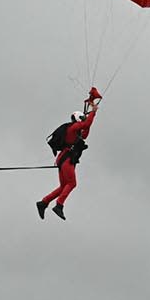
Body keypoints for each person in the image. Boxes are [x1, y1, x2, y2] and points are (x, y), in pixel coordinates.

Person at [38, 88, 100, 219]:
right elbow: (87, 123)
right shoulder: (73, 127)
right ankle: (59, 205)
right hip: (67, 159)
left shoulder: (74, 131)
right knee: (72, 184)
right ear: (77, 118)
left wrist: (90, 116)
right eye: (82, 118)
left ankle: (43, 203)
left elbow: (85, 132)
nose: (84, 119)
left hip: (63, 159)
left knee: (63, 187)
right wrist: (93, 112)